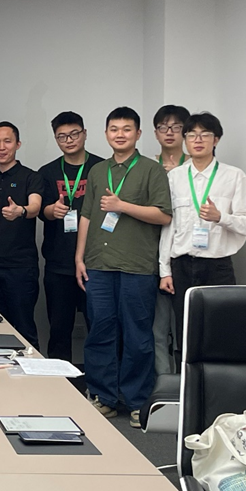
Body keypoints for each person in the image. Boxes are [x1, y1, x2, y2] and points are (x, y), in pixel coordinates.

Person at [75, 107, 172, 429]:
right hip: (99, 264)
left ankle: (137, 401)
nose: (120, 134)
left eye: (127, 129)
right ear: (106, 134)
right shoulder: (98, 171)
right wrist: (79, 257)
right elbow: (87, 215)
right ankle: (102, 396)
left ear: (138, 134)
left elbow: (164, 215)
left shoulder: (151, 170)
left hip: (137, 265)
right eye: (114, 129)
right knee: (100, 331)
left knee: (137, 336)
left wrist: (122, 206)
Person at [159, 112, 246, 367]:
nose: (198, 140)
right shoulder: (175, 177)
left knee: (221, 332)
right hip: (181, 265)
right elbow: (168, 227)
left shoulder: (234, 176)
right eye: (191, 135)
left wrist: (220, 217)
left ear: (217, 140)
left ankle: (218, 386)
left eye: (205, 134)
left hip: (218, 266)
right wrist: (164, 270)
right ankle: (187, 385)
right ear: (185, 140)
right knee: (185, 333)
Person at [37, 112, 103, 362]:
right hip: (58, 263)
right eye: (62, 136)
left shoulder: (101, 168)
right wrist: (51, 211)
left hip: (97, 262)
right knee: (59, 330)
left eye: (74, 134)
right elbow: (40, 211)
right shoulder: (47, 172)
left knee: (100, 328)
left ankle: (99, 381)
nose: (69, 140)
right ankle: (60, 382)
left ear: (84, 133)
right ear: (56, 139)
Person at [0, 122, 43, 350]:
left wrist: (20, 211)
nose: (2, 147)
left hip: (20, 266)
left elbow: (35, 207)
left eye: (7, 141)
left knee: (23, 327)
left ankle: (32, 371)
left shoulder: (31, 177)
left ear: (18, 144)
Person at [151, 104, 190, 375]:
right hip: (153, 254)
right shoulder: (148, 167)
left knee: (188, 329)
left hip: (187, 255)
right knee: (158, 328)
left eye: (176, 127)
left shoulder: (197, 167)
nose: (169, 132)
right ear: (155, 132)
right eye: (163, 127)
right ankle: (164, 386)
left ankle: (189, 385)